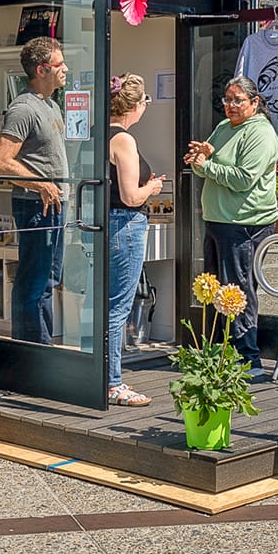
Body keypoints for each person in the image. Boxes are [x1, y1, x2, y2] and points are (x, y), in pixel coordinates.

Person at [183, 76, 278, 375]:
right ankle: (225, 351)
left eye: (238, 100)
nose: (231, 105)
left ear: (255, 102)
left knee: (238, 291)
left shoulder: (261, 133)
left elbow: (243, 179)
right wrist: (204, 155)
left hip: (244, 223)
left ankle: (249, 359)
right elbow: (212, 159)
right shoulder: (225, 127)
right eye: (227, 99)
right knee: (217, 290)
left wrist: (207, 166)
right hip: (218, 220)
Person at [0, 36, 69, 344]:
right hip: (36, 207)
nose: (66, 69)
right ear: (41, 69)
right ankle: (31, 353)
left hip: (54, 205)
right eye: (59, 64)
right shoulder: (23, 108)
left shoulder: (50, 105)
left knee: (48, 280)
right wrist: (41, 184)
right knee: (35, 281)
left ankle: (41, 349)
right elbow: (1, 162)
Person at [107, 74, 165, 406]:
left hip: (106, 223)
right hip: (126, 224)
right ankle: (113, 382)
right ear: (134, 105)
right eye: (144, 102)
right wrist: (152, 188)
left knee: (106, 304)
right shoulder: (124, 140)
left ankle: (102, 376)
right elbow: (130, 196)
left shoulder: (99, 133)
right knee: (119, 306)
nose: (145, 108)